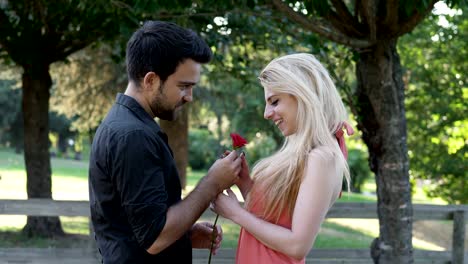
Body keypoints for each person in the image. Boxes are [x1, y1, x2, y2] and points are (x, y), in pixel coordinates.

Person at [88, 21, 242, 263]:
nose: (189, 97)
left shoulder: (126, 124)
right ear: (150, 80)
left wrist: (184, 236)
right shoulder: (133, 136)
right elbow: (155, 238)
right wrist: (212, 182)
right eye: (183, 86)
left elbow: (134, 228)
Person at [212, 53, 354, 263]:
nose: (266, 113)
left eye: (274, 101)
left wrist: (235, 213)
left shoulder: (321, 157)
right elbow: (275, 219)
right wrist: (246, 185)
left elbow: (297, 246)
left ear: (304, 94)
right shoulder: (305, 154)